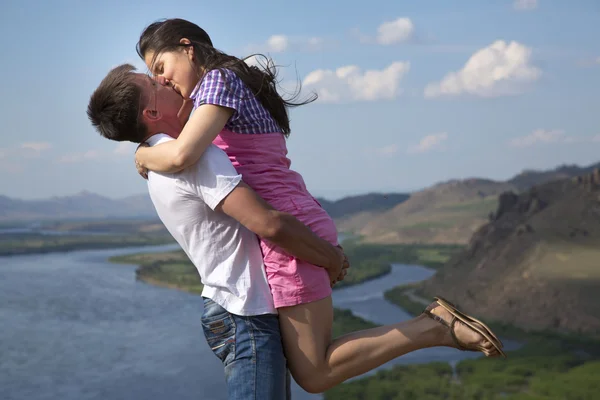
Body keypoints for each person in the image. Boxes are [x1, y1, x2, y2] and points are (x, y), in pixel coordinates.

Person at [131, 18, 506, 393]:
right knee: (311, 369)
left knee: (315, 372)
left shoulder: (218, 82)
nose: (161, 80)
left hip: (286, 232)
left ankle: (433, 327)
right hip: (296, 220)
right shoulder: (226, 85)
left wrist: (145, 157)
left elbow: (183, 154)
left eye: (160, 69)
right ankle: (431, 327)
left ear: (188, 47)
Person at [87, 64, 348, 399]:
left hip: (235, 312)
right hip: (245, 315)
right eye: (154, 82)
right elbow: (269, 222)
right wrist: (331, 258)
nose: (165, 79)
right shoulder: (195, 158)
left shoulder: (158, 161)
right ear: (151, 110)